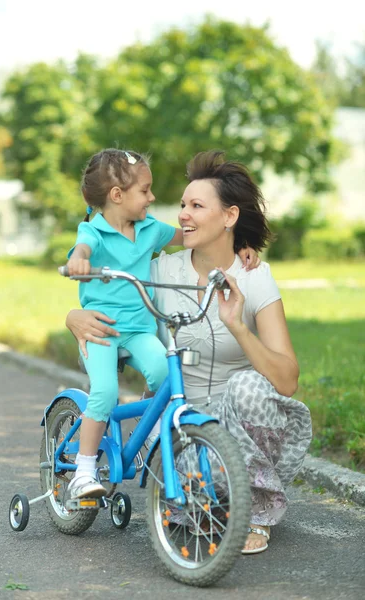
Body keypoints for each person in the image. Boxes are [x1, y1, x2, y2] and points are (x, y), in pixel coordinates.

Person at [66, 150, 312, 554]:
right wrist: (74, 316)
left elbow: (286, 380)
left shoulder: (254, 277)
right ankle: (202, 496)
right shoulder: (161, 272)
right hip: (181, 425)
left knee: (248, 386)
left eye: (196, 206)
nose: (182, 214)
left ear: (229, 216)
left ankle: (258, 512)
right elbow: (111, 290)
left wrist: (237, 325)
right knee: (195, 496)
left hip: (241, 424)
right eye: (182, 204)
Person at [65, 148, 258, 502]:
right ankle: (84, 469)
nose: (152, 198)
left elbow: (191, 234)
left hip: (138, 330)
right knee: (105, 393)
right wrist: (79, 261)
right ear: (117, 196)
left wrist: (241, 244)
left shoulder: (150, 229)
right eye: (145, 190)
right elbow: (82, 249)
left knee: (166, 375)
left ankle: (151, 433)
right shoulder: (93, 231)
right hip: (101, 330)